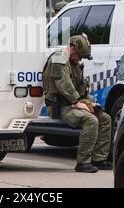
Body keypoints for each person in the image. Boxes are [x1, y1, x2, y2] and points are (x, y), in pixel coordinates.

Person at [43, 33, 112, 173]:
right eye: (79, 55)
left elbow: (81, 89)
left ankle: (98, 158)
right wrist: (76, 101)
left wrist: (90, 103)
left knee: (105, 119)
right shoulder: (59, 60)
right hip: (61, 106)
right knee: (91, 120)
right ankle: (83, 162)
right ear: (73, 48)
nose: (80, 59)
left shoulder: (74, 64)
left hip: (74, 104)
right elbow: (63, 84)